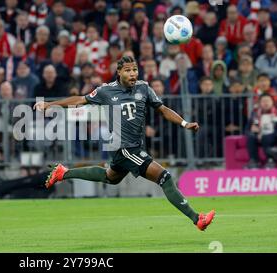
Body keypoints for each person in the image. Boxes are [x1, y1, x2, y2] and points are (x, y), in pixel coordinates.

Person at [34, 56, 215, 231]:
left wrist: (185, 123)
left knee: (110, 177)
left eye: (135, 70)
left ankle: (63, 172)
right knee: (164, 177)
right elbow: (80, 100)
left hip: (134, 146)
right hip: (124, 147)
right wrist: (50, 104)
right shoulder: (106, 91)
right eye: (128, 70)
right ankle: (196, 218)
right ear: (118, 72)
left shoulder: (144, 88)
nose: (133, 74)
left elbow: (163, 109)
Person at [246, 93, 277, 169]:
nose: (266, 103)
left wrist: (272, 135)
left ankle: (270, 160)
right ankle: (254, 161)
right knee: (251, 137)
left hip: (273, 136)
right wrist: (253, 130)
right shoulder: (254, 114)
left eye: (268, 101)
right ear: (260, 103)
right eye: (263, 101)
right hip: (258, 136)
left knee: (267, 137)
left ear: (272, 102)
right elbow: (247, 129)